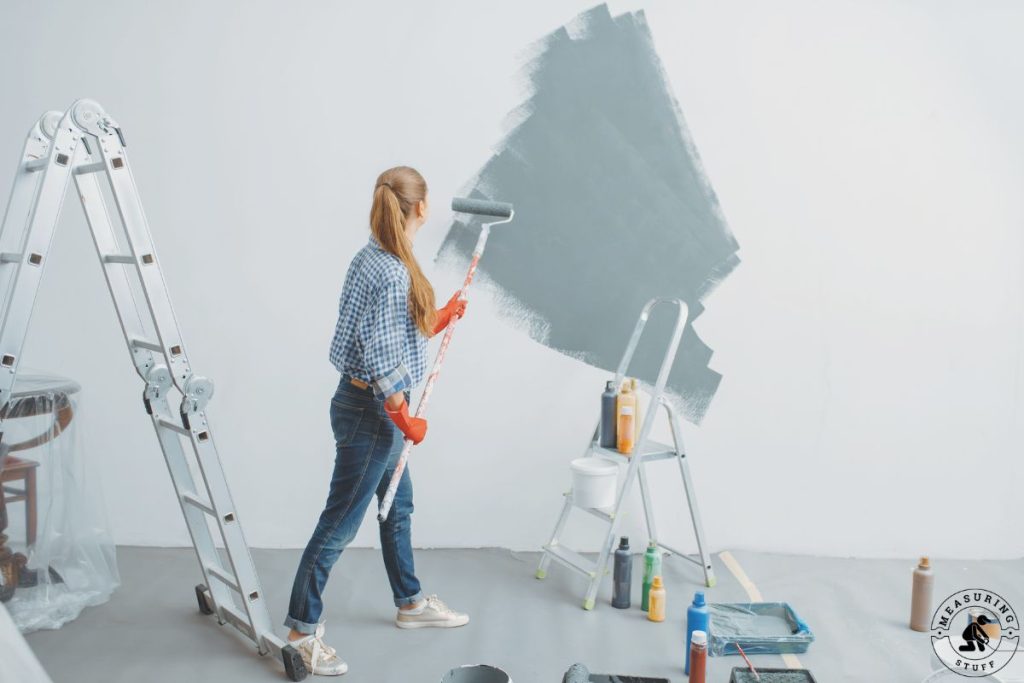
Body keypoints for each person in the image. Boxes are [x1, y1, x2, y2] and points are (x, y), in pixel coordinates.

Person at [284, 166, 469, 676]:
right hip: (372, 413)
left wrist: (442, 315)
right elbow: (381, 359)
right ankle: (300, 633)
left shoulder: (375, 256)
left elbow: (390, 332)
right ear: (421, 208)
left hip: (362, 404)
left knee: (397, 507)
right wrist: (405, 419)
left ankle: (409, 602)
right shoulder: (391, 270)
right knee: (339, 524)